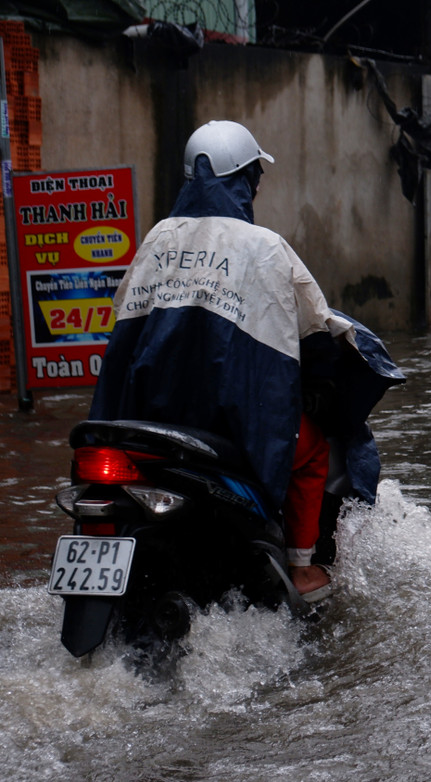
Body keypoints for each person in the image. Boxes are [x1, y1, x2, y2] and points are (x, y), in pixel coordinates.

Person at [90, 120, 346, 600]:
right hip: (231, 427)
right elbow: (315, 327)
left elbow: (123, 319)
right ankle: (304, 568)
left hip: (149, 422)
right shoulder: (266, 247)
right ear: (245, 180)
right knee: (312, 451)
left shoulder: (157, 239)